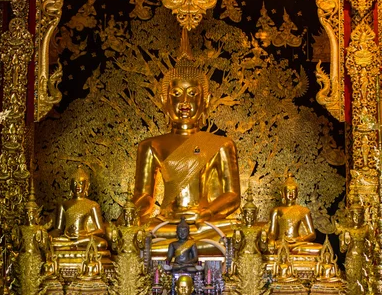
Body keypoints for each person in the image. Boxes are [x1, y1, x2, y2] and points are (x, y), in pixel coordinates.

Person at [133, 29, 240, 242]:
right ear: (164, 101)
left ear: (205, 101)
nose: (184, 102)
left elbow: (233, 196)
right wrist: (132, 212)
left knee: (235, 233)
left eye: (192, 94)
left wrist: (206, 213)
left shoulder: (221, 144)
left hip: (205, 223)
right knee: (138, 235)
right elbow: (144, 195)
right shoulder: (150, 145)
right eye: (176, 94)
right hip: (167, 223)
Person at [50, 166, 108, 250]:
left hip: (85, 238)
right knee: (51, 242)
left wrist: (85, 234)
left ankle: (73, 244)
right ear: (70, 185)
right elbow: (58, 230)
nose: (77, 186)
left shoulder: (92, 205)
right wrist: (47, 235)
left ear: (86, 185)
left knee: (102, 244)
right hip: (67, 237)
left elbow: (101, 230)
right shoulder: (63, 205)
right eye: (74, 183)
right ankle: (72, 243)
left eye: (80, 183)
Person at [266, 172, 321, 255]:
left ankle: (289, 249)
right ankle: (286, 249)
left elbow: (312, 234)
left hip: (298, 244)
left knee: (318, 249)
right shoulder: (276, 210)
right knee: (268, 248)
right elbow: (272, 233)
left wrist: (299, 240)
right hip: (281, 243)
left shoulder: (304, 210)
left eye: (293, 191)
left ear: (297, 193)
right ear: (283, 194)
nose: (291, 194)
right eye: (288, 191)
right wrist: (271, 241)